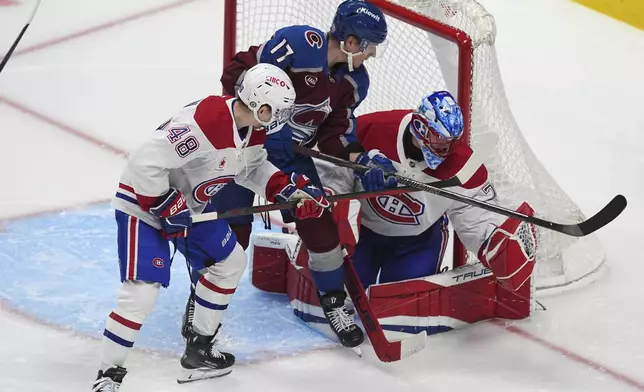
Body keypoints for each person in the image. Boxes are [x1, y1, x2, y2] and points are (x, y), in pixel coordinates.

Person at [91, 63, 330, 391]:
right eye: (277, 111)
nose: (280, 119)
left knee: (230, 262)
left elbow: (252, 167)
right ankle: (108, 375)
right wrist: (164, 205)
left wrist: (286, 190)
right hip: (143, 206)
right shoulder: (206, 121)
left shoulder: (251, 128)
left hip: (189, 210)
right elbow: (144, 162)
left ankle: (198, 351)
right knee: (142, 291)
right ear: (261, 106)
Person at [183, 0, 393, 349]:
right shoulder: (299, 44)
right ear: (352, 42)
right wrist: (263, 122)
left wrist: (364, 159)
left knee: (318, 220)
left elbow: (335, 134)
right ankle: (201, 299)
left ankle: (332, 299)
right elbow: (236, 74)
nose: (371, 55)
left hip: (289, 159)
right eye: (369, 45)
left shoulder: (354, 81)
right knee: (230, 230)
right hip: (243, 147)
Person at [317, 90, 537, 292]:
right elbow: (330, 162)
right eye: (439, 139)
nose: (446, 149)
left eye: (451, 142)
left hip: (418, 241)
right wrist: (355, 174)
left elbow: (473, 214)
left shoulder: (463, 165)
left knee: (400, 303)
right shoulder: (373, 128)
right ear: (420, 128)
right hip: (364, 234)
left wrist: (493, 241)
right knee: (343, 293)